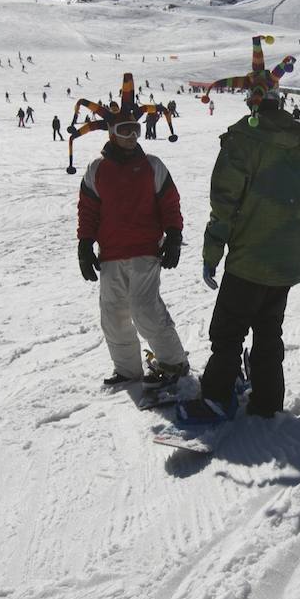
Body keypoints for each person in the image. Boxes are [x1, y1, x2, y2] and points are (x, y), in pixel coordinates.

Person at [177, 88, 300, 426]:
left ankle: (215, 398)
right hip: (285, 261)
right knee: (269, 331)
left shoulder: (243, 140)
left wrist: (212, 252)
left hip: (249, 260)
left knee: (228, 333)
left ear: (253, 105)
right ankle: (268, 402)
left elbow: (224, 203)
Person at [76, 113, 190, 392]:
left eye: (136, 131)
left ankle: (174, 363)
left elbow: (169, 202)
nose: (132, 137)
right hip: (111, 253)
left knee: (145, 309)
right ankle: (127, 370)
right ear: (112, 133)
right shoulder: (97, 169)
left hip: (145, 250)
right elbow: (88, 209)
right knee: (113, 313)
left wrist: (174, 235)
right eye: (126, 131)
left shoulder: (152, 165)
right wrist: (84, 244)